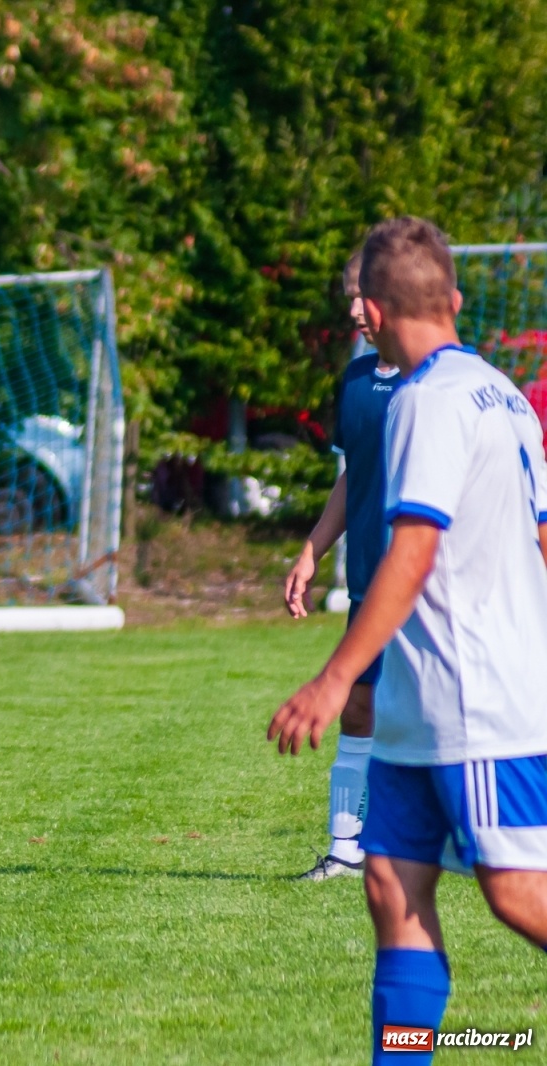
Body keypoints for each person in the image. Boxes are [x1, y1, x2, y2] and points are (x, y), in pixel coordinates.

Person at [268, 217, 547, 1065]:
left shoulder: (427, 398)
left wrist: (332, 677)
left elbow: (415, 549)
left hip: (478, 697)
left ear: (376, 314)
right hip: (418, 705)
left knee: (516, 892)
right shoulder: (502, 391)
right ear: (454, 300)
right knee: (390, 887)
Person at [283, 248, 401, 880]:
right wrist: (311, 550)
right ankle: (346, 850)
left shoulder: (435, 382)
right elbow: (355, 473)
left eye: (364, 293)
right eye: (350, 296)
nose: (354, 308)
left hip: (431, 583)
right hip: (369, 580)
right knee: (359, 705)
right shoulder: (357, 379)